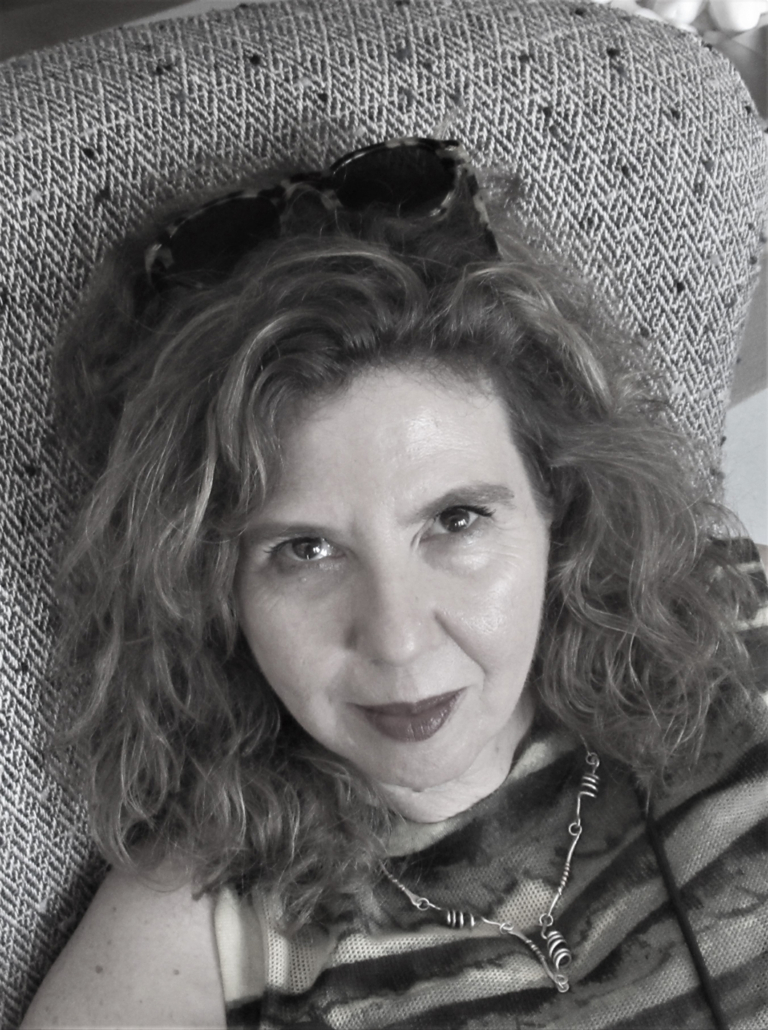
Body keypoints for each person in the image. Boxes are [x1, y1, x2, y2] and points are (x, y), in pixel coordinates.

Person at [21, 138, 768, 1030]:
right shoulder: (198, 929)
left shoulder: (737, 628)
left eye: (456, 520)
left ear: (560, 505)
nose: (400, 640)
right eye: (305, 550)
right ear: (209, 587)